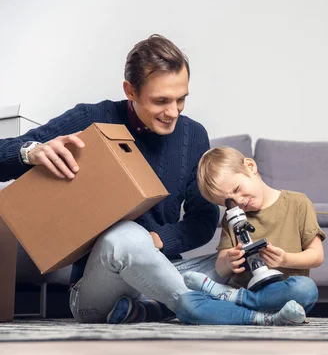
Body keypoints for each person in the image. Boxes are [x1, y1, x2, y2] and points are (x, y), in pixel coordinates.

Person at [0, 34, 306, 326]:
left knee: (245, 268)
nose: (173, 112)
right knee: (124, 235)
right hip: (100, 289)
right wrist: (31, 152)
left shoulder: (193, 135)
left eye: (181, 100)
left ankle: (152, 309)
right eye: (161, 101)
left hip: (166, 271)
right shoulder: (92, 118)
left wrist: (159, 240)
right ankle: (220, 305)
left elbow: (202, 220)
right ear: (130, 91)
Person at [176, 146, 325, 324]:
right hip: (245, 290)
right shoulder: (232, 218)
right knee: (186, 304)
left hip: (282, 296)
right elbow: (221, 268)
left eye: (237, 189)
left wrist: (285, 260)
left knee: (306, 289)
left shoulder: (297, 203)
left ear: (250, 167)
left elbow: (317, 256)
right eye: (228, 202)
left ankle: (238, 300)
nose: (238, 201)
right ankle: (265, 318)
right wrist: (229, 261)